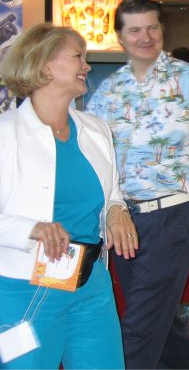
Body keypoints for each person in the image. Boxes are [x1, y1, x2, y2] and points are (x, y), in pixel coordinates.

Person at [86, 0, 189, 369]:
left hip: (175, 214)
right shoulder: (110, 90)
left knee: (139, 324)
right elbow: (94, 150)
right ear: (120, 37)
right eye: (135, 30)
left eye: (152, 27)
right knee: (159, 316)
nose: (146, 37)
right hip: (124, 220)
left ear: (162, 30)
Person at [0, 24, 137, 369]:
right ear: (46, 65)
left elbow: (111, 192)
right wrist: (31, 228)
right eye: (78, 56)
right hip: (25, 289)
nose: (87, 66)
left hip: (91, 282)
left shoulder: (96, 129)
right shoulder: (5, 134)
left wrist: (116, 210)